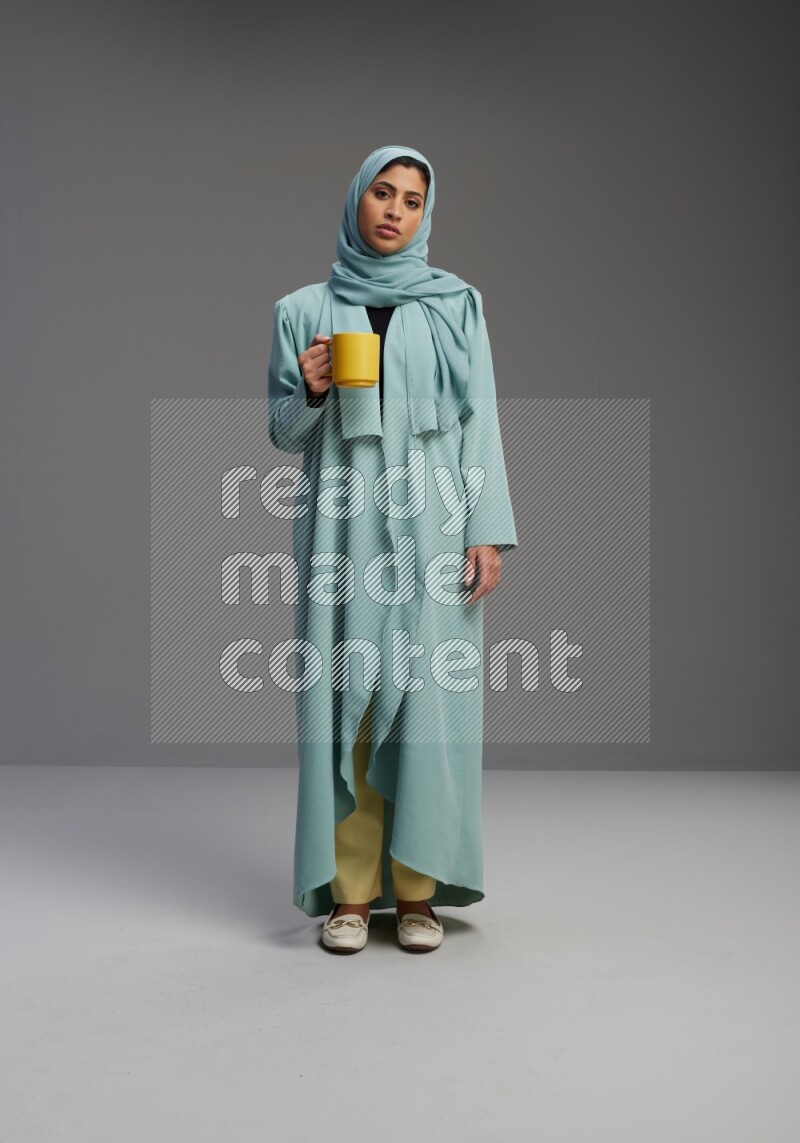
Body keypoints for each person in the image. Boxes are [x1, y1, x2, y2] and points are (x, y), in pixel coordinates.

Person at [267, 144, 517, 953]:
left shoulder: (458, 307)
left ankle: (416, 889)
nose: (395, 211)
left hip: (435, 524)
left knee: (426, 707)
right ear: (356, 199)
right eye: (383, 193)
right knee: (352, 704)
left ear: (425, 215)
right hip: (343, 527)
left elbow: (481, 422)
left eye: (412, 200)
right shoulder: (304, 308)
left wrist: (486, 530)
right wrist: (307, 390)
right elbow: (283, 434)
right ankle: (349, 894)